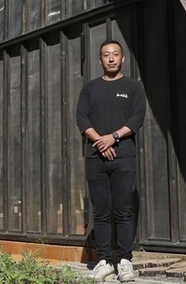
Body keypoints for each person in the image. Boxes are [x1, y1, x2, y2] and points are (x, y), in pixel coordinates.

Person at [76, 40, 147, 282]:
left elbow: (137, 117)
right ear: (100, 60)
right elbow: (82, 118)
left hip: (124, 156)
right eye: (106, 55)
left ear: (123, 58)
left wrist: (113, 137)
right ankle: (104, 261)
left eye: (115, 54)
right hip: (96, 158)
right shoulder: (90, 89)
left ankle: (125, 261)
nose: (111, 58)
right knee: (102, 211)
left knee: (123, 210)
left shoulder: (133, 87)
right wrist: (100, 141)